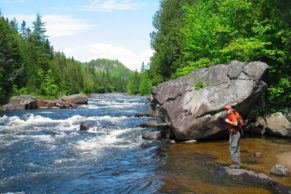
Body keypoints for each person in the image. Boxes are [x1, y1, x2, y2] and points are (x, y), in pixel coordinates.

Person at [224, 104, 240, 169]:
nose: (226, 110)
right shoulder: (233, 113)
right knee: (236, 149)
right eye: (225, 109)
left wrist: (228, 121)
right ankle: (237, 164)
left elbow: (236, 123)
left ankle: (235, 165)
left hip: (234, 134)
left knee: (233, 149)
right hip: (236, 133)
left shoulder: (232, 114)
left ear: (231, 109)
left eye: (227, 109)